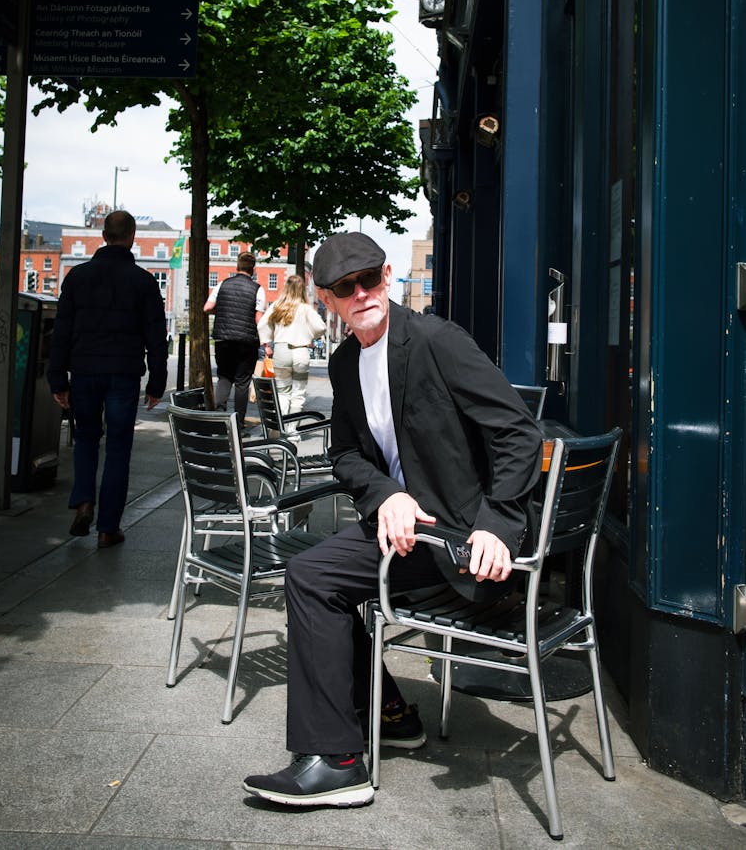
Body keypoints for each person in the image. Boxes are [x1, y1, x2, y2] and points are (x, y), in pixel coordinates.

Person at [243, 231, 543, 808]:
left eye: (370, 279)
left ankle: (336, 763)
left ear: (386, 277)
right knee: (314, 576)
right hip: (408, 529)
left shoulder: (437, 340)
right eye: (343, 288)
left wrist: (497, 523)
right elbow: (347, 454)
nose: (362, 294)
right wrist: (386, 496)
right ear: (326, 300)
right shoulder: (345, 362)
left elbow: (519, 433)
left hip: (460, 537)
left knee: (316, 580)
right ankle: (391, 715)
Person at [47, 210, 168, 549]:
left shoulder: (77, 277)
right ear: (132, 237)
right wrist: (157, 382)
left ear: (103, 235)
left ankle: (84, 502)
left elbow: (62, 331)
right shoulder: (143, 281)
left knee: (85, 439)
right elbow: (156, 337)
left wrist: (58, 379)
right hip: (123, 374)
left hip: (84, 371)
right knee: (118, 447)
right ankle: (107, 528)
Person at [204, 251, 265, 426]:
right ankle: (238, 423)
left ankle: (219, 417)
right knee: (242, 383)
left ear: (237, 267)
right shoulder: (258, 289)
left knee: (224, 377)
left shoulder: (222, 284)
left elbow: (207, 307)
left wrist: (222, 311)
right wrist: (266, 341)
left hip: (223, 338)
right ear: (253, 270)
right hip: (246, 341)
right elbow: (258, 318)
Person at [257, 274, 326, 415]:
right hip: (301, 351)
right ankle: (292, 432)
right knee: (298, 394)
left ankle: (283, 429)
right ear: (302, 290)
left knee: (283, 392)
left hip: (282, 351)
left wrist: (269, 340)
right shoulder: (305, 308)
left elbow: (262, 325)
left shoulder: (277, 306)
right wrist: (308, 335)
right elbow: (321, 327)